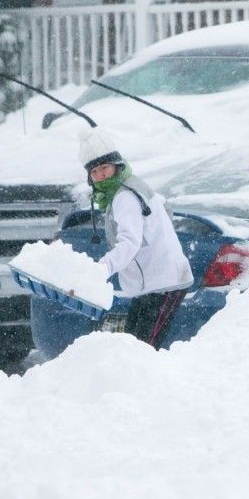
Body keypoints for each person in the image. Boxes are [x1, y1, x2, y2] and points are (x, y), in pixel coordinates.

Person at [77, 126, 193, 349]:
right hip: (153, 283)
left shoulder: (125, 197)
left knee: (144, 350)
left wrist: (101, 269)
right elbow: (163, 206)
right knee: (134, 347)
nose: (100, 175)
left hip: (164, 283)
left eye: (104, 167)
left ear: (117, 165)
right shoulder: (129, 188)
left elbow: (130, 242)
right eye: (94, 171)